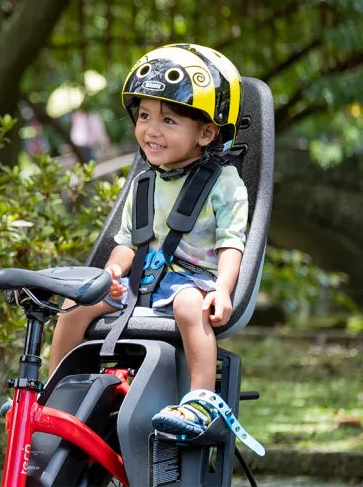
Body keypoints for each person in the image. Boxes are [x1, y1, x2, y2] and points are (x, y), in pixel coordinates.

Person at [48, 44, 248, 436]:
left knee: (191, 306)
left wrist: (222, 290)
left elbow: (232, 241)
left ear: (206, 132)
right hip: (143, 279)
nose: (151, 130)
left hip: (193, 280)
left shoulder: (224, 184)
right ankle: (56, 392)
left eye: (169, 121)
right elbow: (128, 242)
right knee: (75, 305)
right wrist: (111, 272)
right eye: (143, 116)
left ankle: (200, 403)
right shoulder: (143, 183)